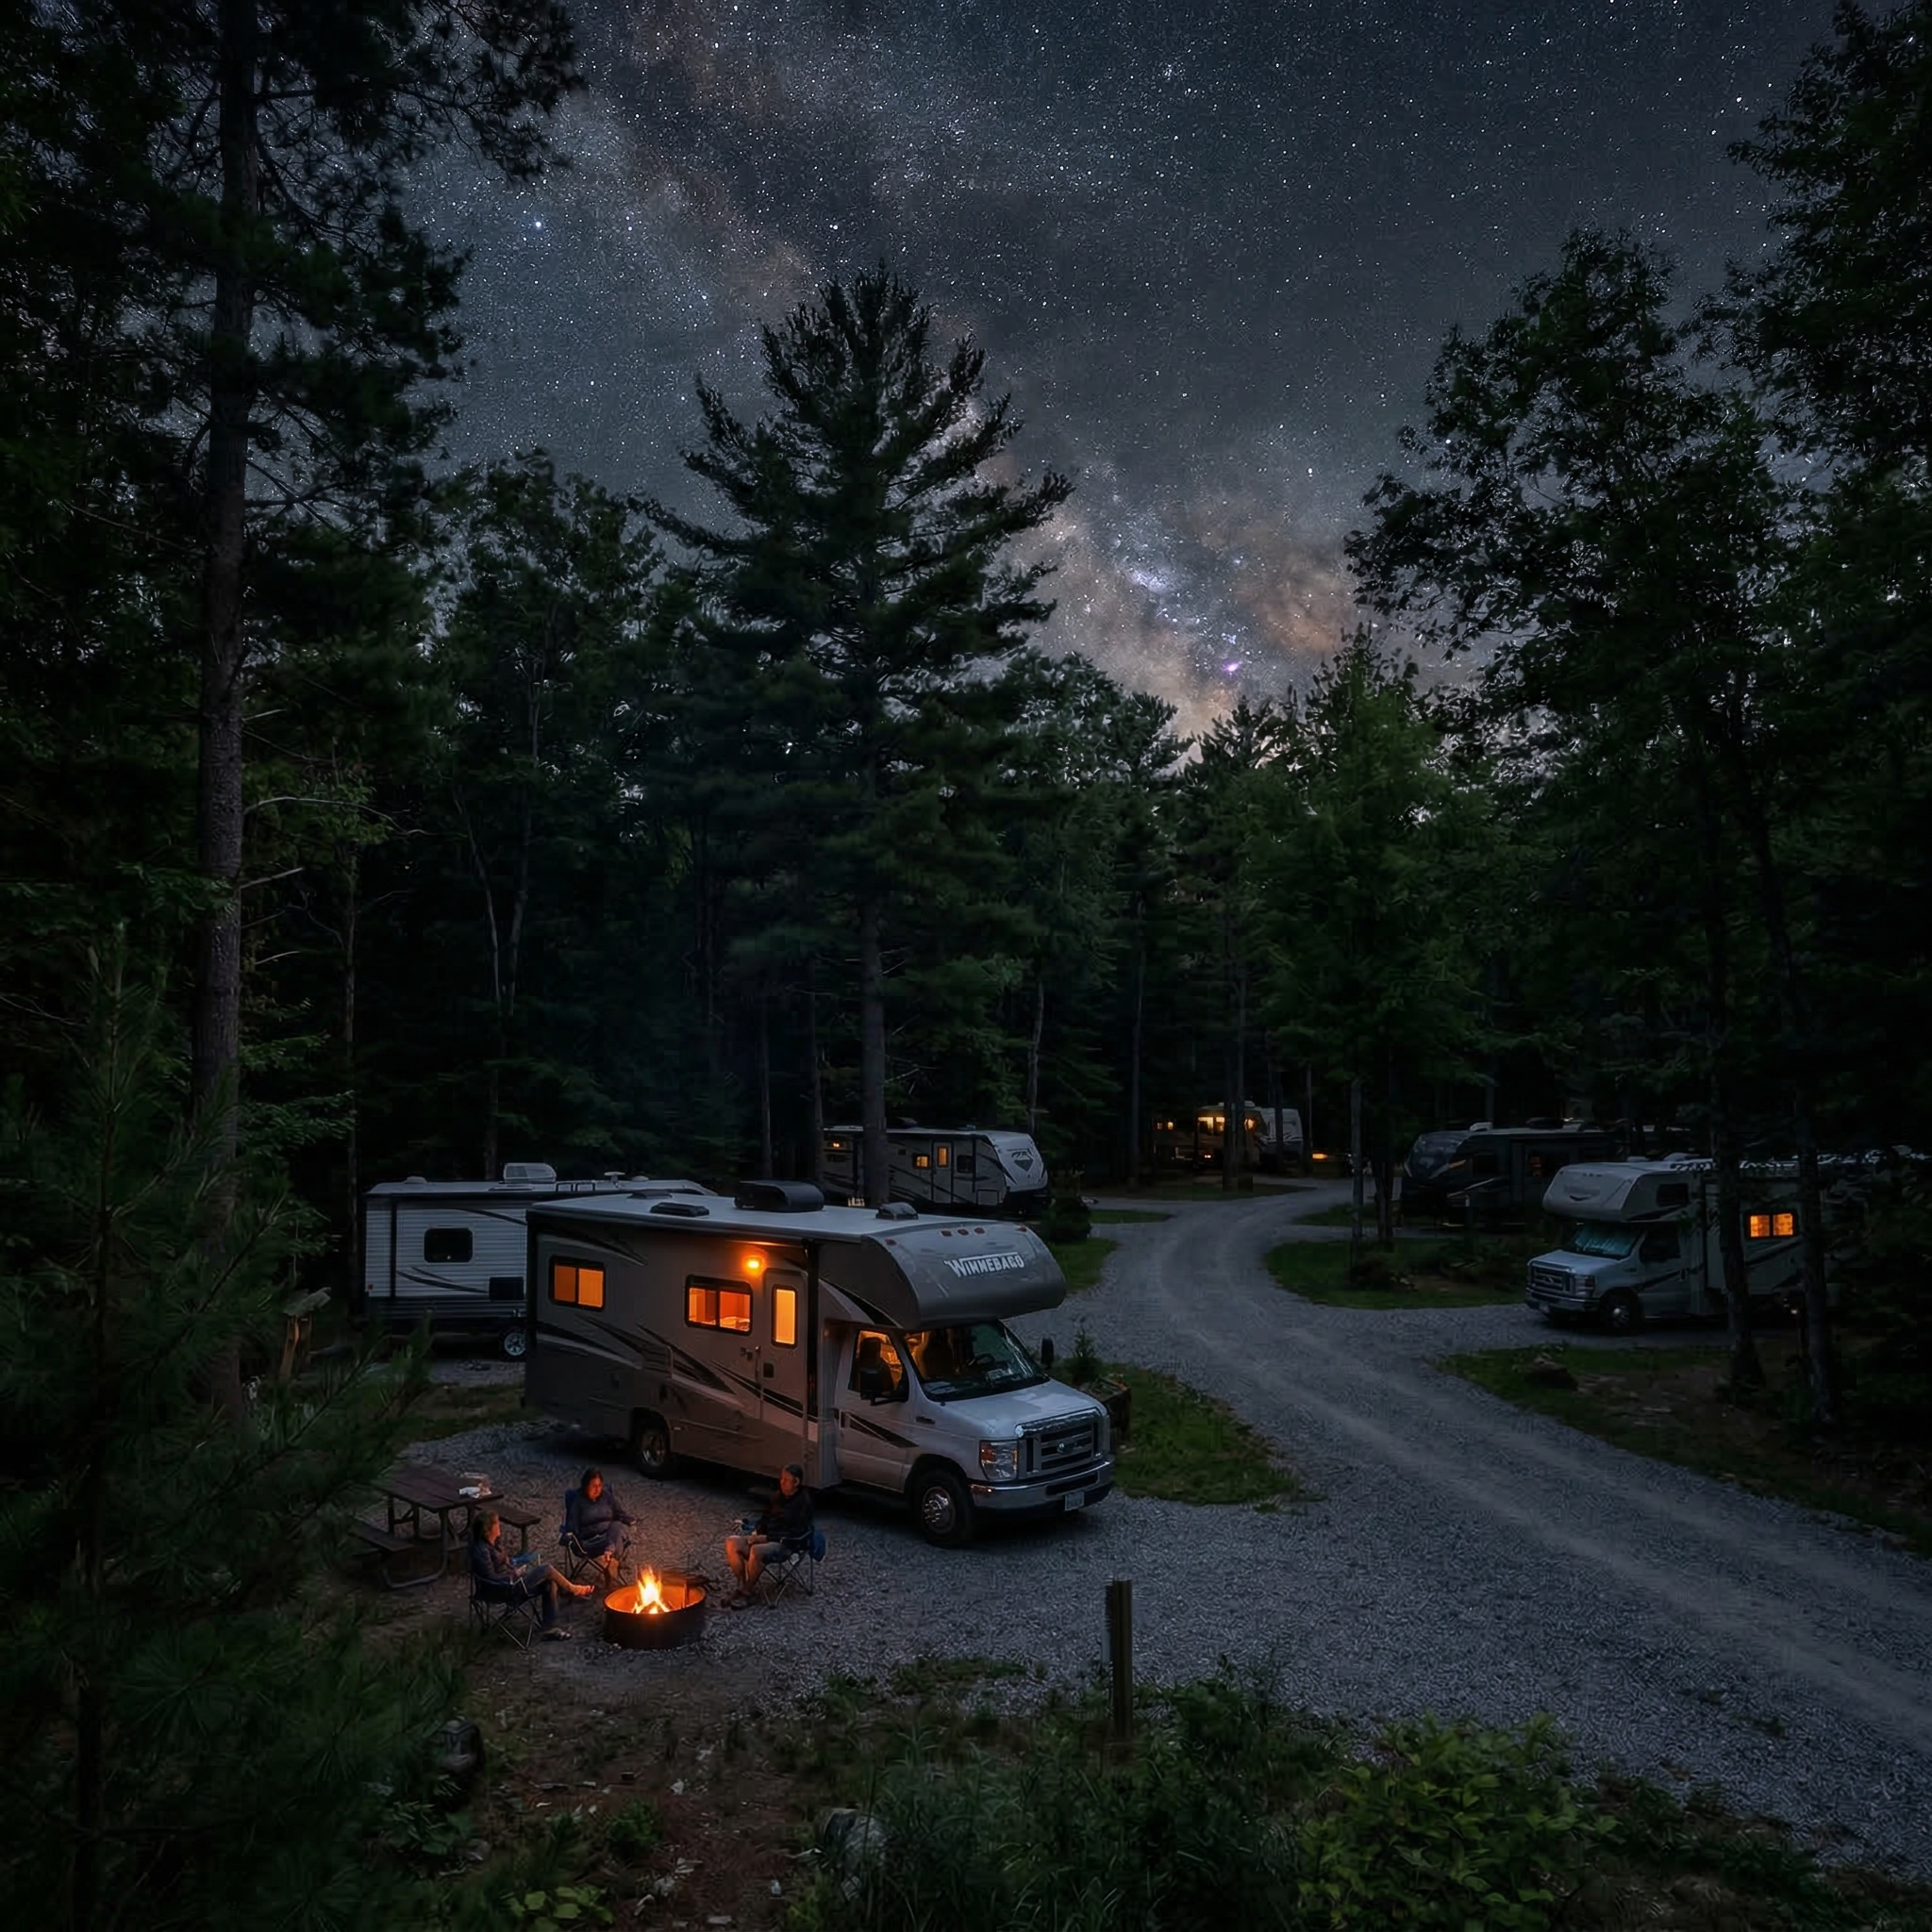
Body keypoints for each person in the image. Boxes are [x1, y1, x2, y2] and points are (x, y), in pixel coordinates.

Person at [471, 1509, 591, 1640]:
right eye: (497, 1524)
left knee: (549, 1584)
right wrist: (513, 1576)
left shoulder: (492, 1544)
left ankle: (550, 1629)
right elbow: (491, 1578)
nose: (499, 1526)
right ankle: (572, 1589)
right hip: (506, 1589)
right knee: (547, 1569)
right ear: (488, 1530)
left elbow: (503, 1563)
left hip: (511, 1583)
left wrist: (516, 1566)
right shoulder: (482, 1551)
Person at [724, 1461, 813, 1607]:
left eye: (785, 1480)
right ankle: (740, 1586)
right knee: (732, 1542)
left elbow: (796, 1534)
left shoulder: (803, 1503)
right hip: (767, 1538)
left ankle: (748, 1592)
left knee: (757, 1550)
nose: (781, 1482)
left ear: (796, 1482)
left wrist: (766, 1538)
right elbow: (766, 1517)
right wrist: (757, 1530)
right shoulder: (778, 1496)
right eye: (781, 1479)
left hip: (786, 1544)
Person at [564, 1466, 636, 1581]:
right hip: (591, 1542)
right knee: (616, 1533)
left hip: (609, 1536)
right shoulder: (578, 1502)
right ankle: (612, 1561)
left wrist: (630, 1520)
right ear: (586, 1486)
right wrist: (570, 1537)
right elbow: (572, 1526)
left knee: (616, 1526)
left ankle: (608, 1556)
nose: (597, 1489)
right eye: (594, 1486)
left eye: (599, 1486)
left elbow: (620, 1513)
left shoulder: (606, 1496)